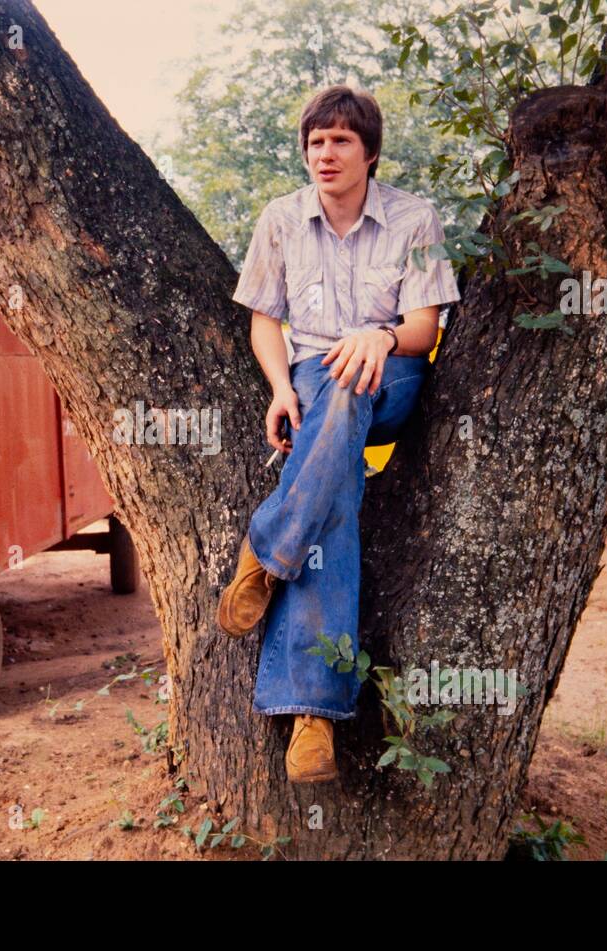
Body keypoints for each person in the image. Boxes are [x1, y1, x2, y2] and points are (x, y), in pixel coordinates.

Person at [218, 84, 461, 783]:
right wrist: (280, 386)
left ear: (370, 151)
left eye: (340, 140)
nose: (324, 153)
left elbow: (424, 329)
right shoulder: (281, 219)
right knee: (338, 493)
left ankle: (269, 550)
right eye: (315, 141)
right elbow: (265, 318)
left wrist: (377, 339)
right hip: (317, 381)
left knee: (356, 383)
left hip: (394, 372)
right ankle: (313, 720)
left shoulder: (414, 218)